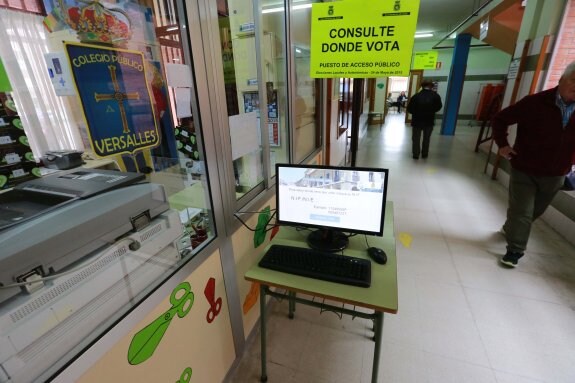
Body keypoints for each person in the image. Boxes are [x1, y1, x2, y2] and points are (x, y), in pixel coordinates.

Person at [492, 61, 575, 268]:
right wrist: (502, 145)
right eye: (574, 80)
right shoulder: (535, 103)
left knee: (534, 212)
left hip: (556, 173)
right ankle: (514, 251)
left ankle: (510, 228)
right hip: (525, 168)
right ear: (561, 79)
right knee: (523, 212)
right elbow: (500, 119)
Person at [406, 80, 442, 159]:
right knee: (427, 138)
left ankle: (416, 154)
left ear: (422, 86)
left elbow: (409, 109)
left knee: (416, 138)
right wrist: (431, 111)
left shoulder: (416, 96)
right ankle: (424, 154)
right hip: (429, 120)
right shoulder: (436, 96)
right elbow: (439, 107)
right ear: (431, 87)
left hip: (417, 121)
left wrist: (416, 113)